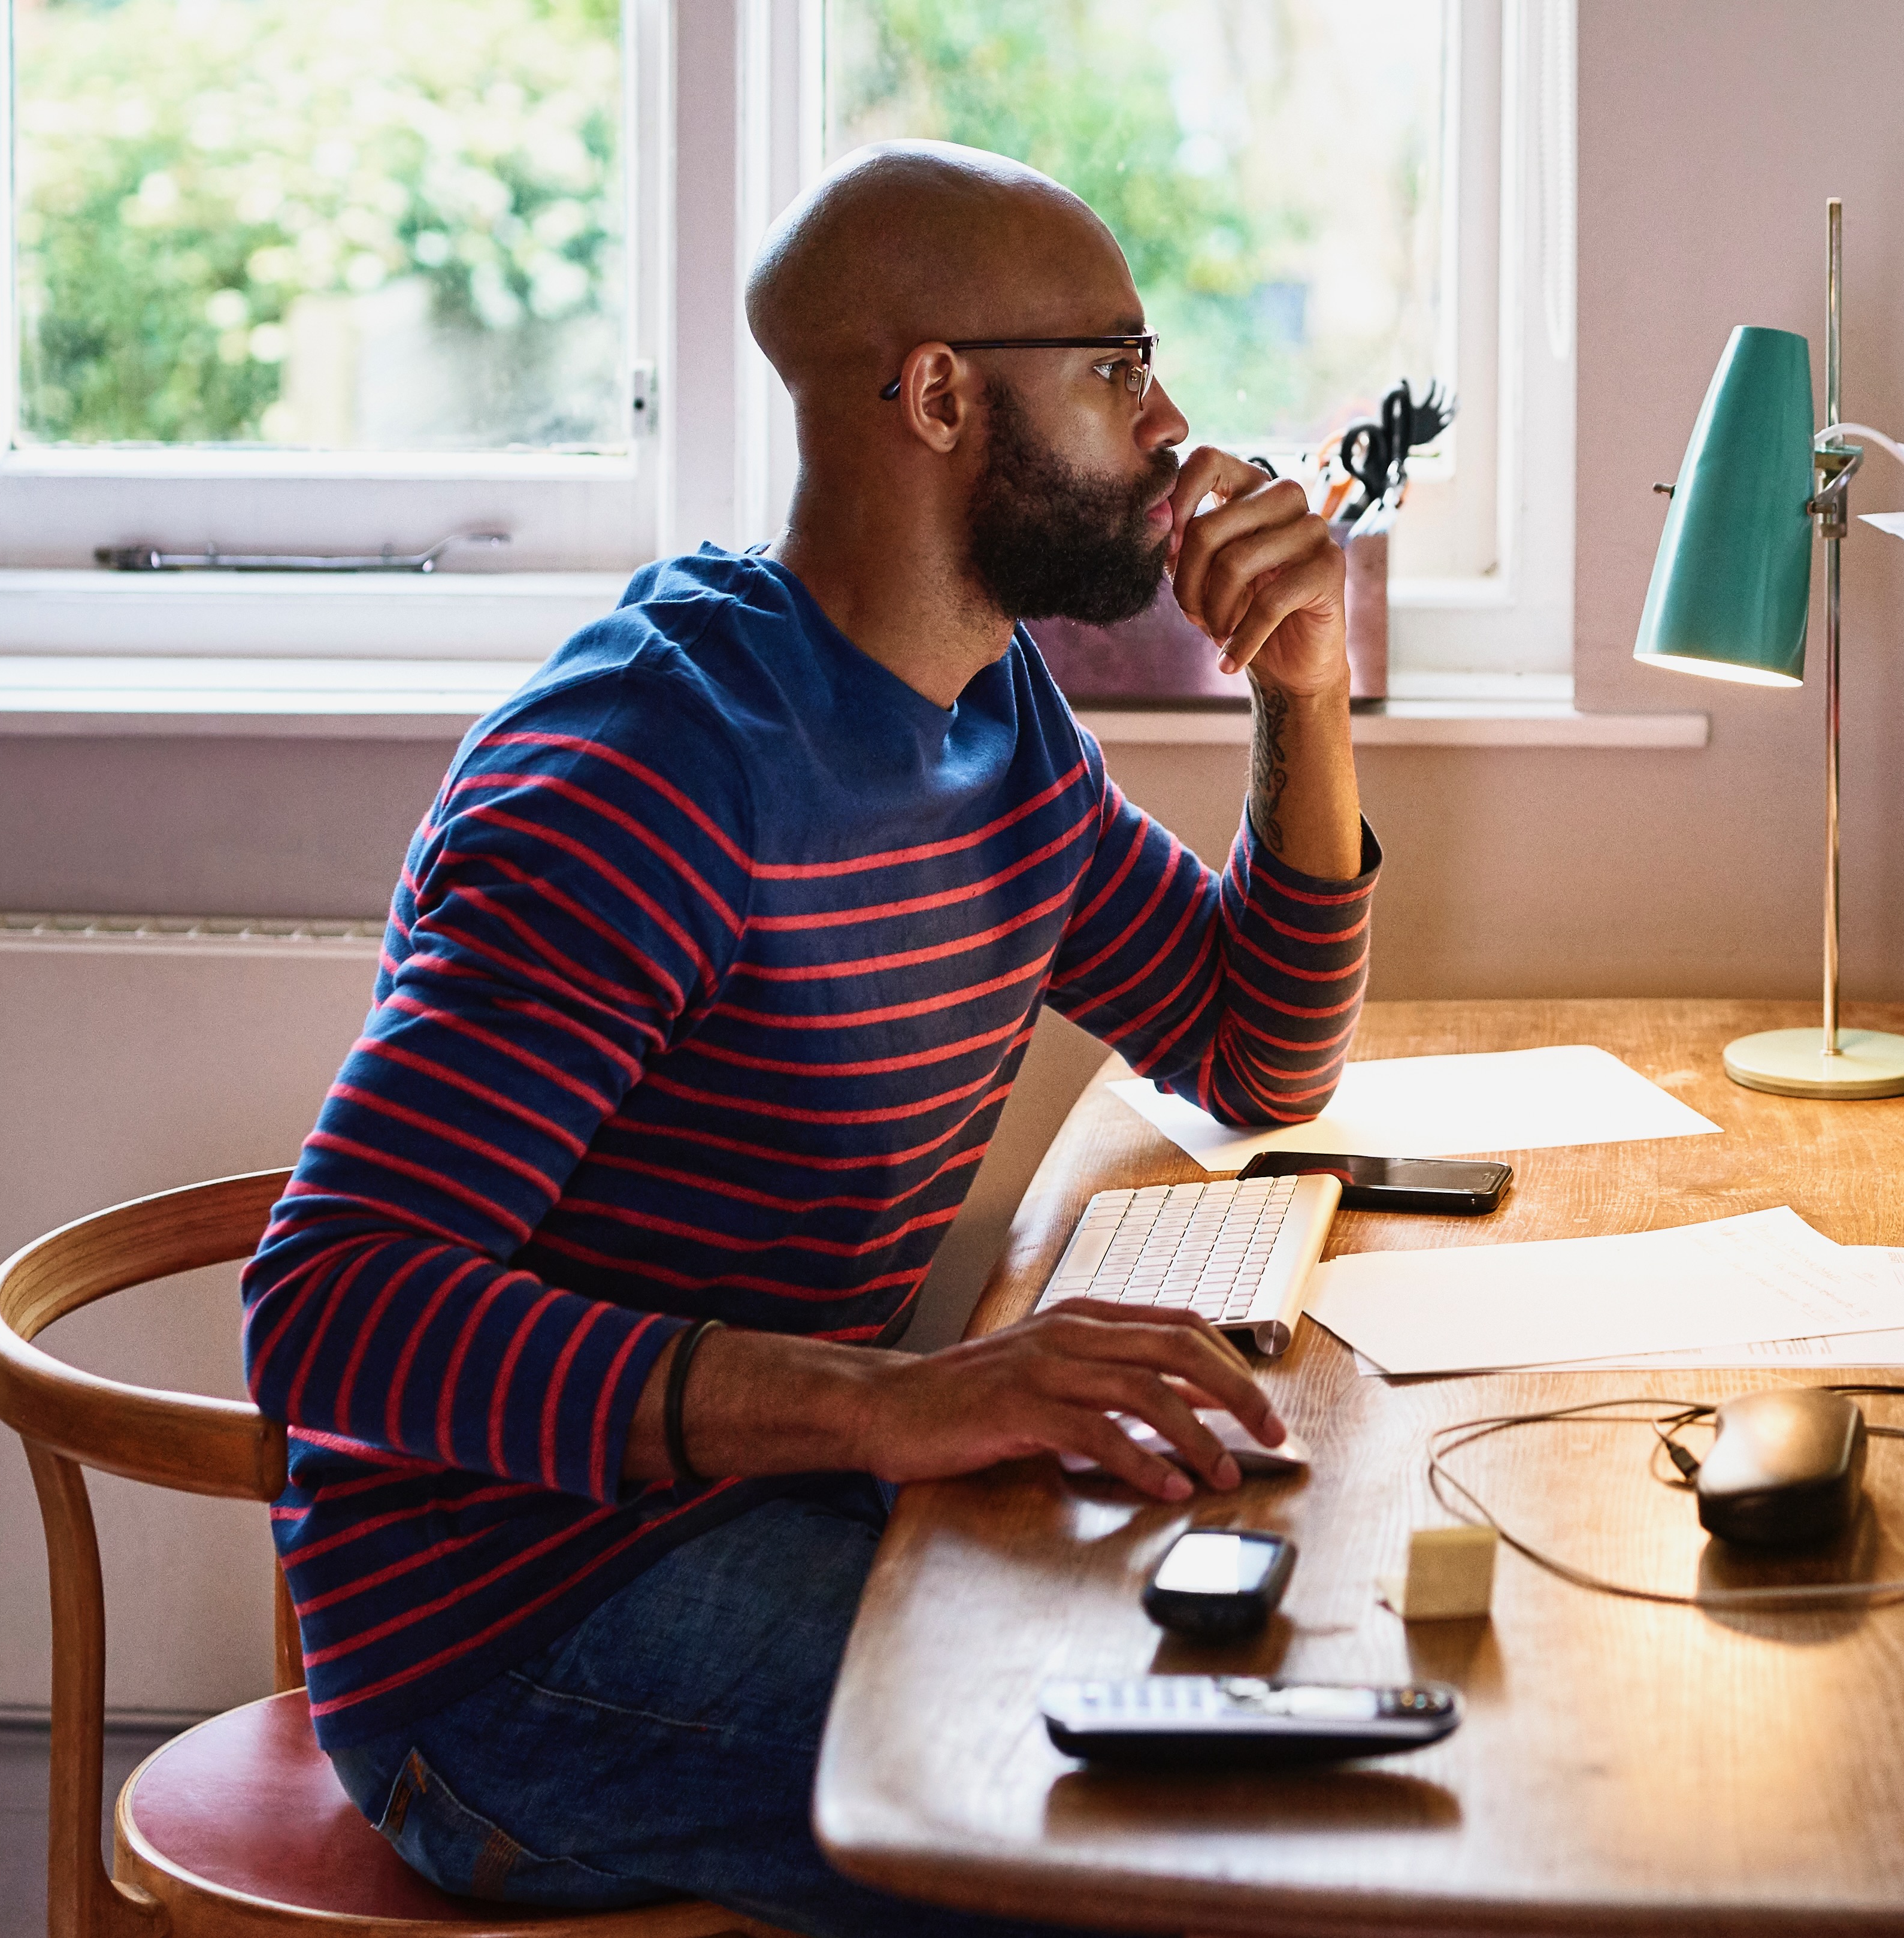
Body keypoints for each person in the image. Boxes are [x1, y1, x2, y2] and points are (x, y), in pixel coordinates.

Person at [235, 141, 1375, 1936]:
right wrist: (891, 1400)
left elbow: (1252, 1050)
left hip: (777, 1508)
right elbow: (327, 1308)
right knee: (1184, 1848)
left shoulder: (986, 710)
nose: (1169, 426)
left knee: (1291, 1679)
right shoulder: (651, 771)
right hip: (512, 1642)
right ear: (935, 395)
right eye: (1117, 364)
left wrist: (1303, 686)